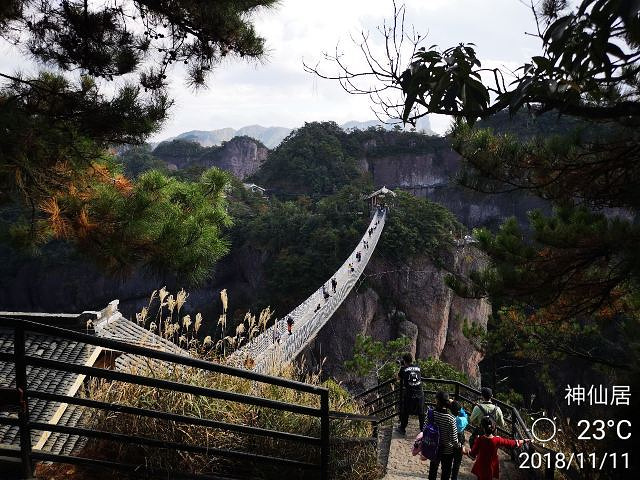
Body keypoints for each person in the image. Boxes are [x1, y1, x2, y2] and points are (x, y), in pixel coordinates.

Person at [428, 391, 460, 480]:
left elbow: (424, 430)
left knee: (433, 470)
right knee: (446, 472)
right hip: (447, 450)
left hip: (434, 447)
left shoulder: (431, 413)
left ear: (437, 400)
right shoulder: (450, 418)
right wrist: (459, 446)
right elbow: (454, 439)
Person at [397, 353, 425, 434]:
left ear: (404, 361)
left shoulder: (403, 369)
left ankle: (402, 429)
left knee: (405, 411)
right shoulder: (418, 367)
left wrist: (401, 367)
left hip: (410, 394)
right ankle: (422, 430)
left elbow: (397, 378)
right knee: (421, 413)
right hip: (420, 393)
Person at [448, 400, 468, 480]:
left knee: (448, 459)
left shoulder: (449, 418)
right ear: (459, 411)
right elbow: (464, 415)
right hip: (459, 439)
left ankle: (446, 474)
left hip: (449, 440)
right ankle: (454, 477)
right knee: (457, 461)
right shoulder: (462, 420)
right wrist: (460, 408)